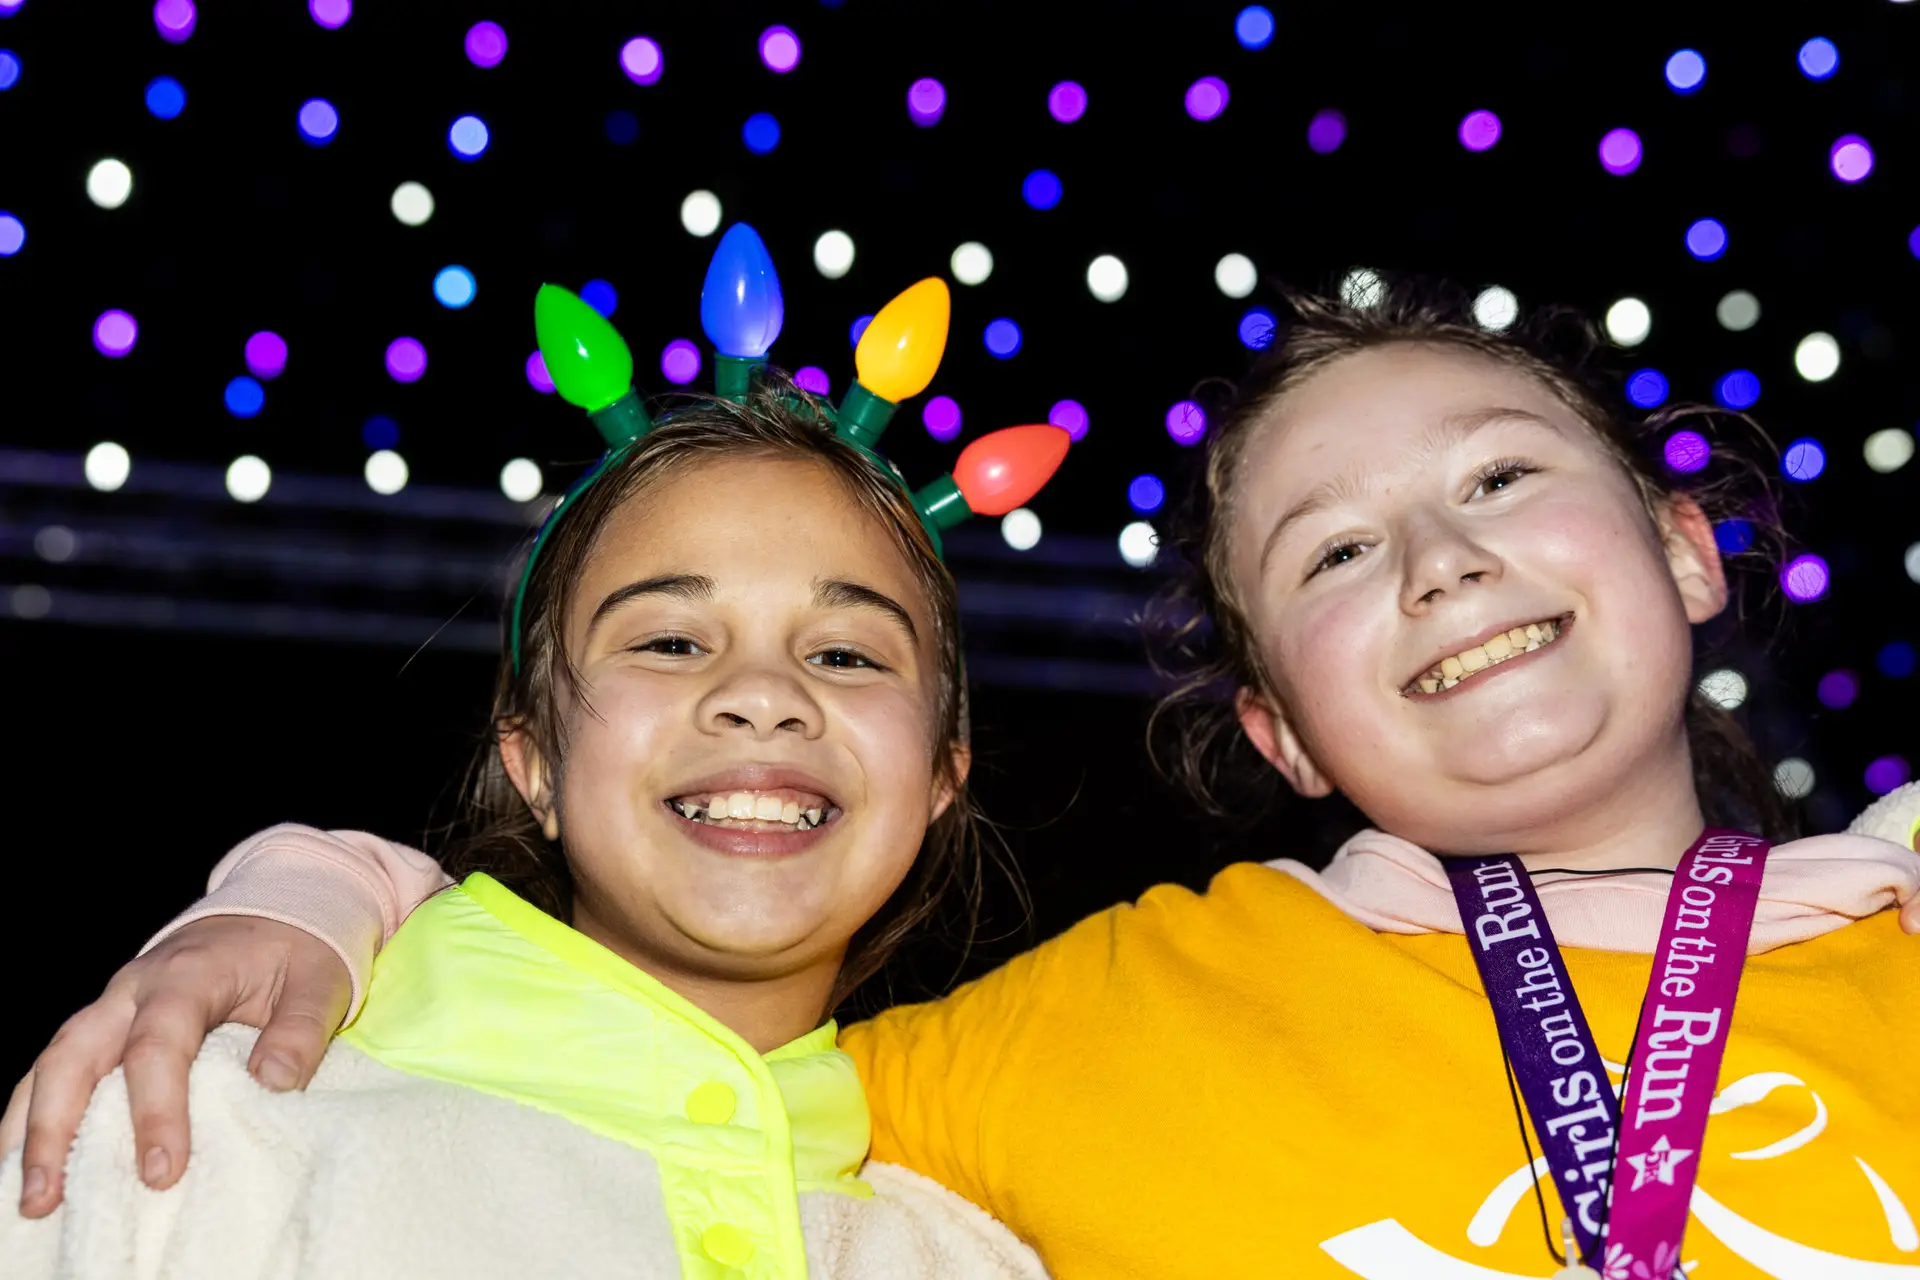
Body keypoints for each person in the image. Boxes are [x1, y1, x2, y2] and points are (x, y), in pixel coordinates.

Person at [11, 282, 1920, 1279]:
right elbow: (665, 1038)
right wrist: (314, 894)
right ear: (1278, 737)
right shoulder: (1104, 1029)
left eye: (1502, 476)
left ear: (1688, 549)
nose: (1437, 562)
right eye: (1331, 552)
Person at [0, 274, 1060, 1278]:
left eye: (845, 653)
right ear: (535, 762)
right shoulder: (188, 1123)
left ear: (939, 776)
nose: (763, 691)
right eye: (672, 641)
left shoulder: (972, 1250)